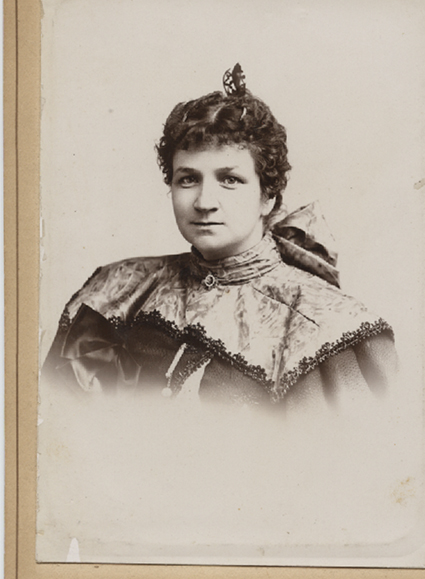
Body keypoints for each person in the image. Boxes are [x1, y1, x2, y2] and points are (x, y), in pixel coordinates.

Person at [43, 64, 397, 411]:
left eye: (230, 180)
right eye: (188, 179)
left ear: (268, 197)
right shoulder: (118, 287)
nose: (204, 202)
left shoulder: (327, 325)